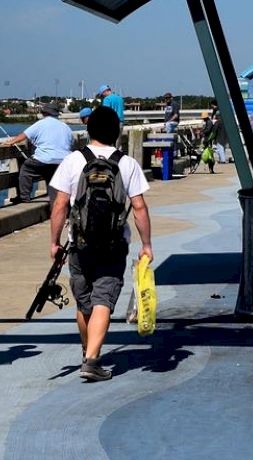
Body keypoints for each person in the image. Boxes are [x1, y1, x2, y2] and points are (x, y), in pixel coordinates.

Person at [48, 106, 153, 383]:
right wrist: (147, 244)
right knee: (102, 301)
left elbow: (60, 204)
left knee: (85, 304)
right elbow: (139, 207)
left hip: (78, 245)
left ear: (88, 130)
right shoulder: (127, 163)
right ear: (116, 132)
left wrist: (54, 241)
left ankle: (87, 352)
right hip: (113, 244)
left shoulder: (73, 161)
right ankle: (92, 360)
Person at [0, 103, 73, 204]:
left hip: (43, 159)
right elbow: (71, 143)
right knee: (52, 178)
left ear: (44, 113)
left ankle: (24, 196)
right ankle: (56, 202)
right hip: (62, 161)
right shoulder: (65, 127)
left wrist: (11, 142)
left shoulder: (41, 123)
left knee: (26, 169)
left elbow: (24, 135)